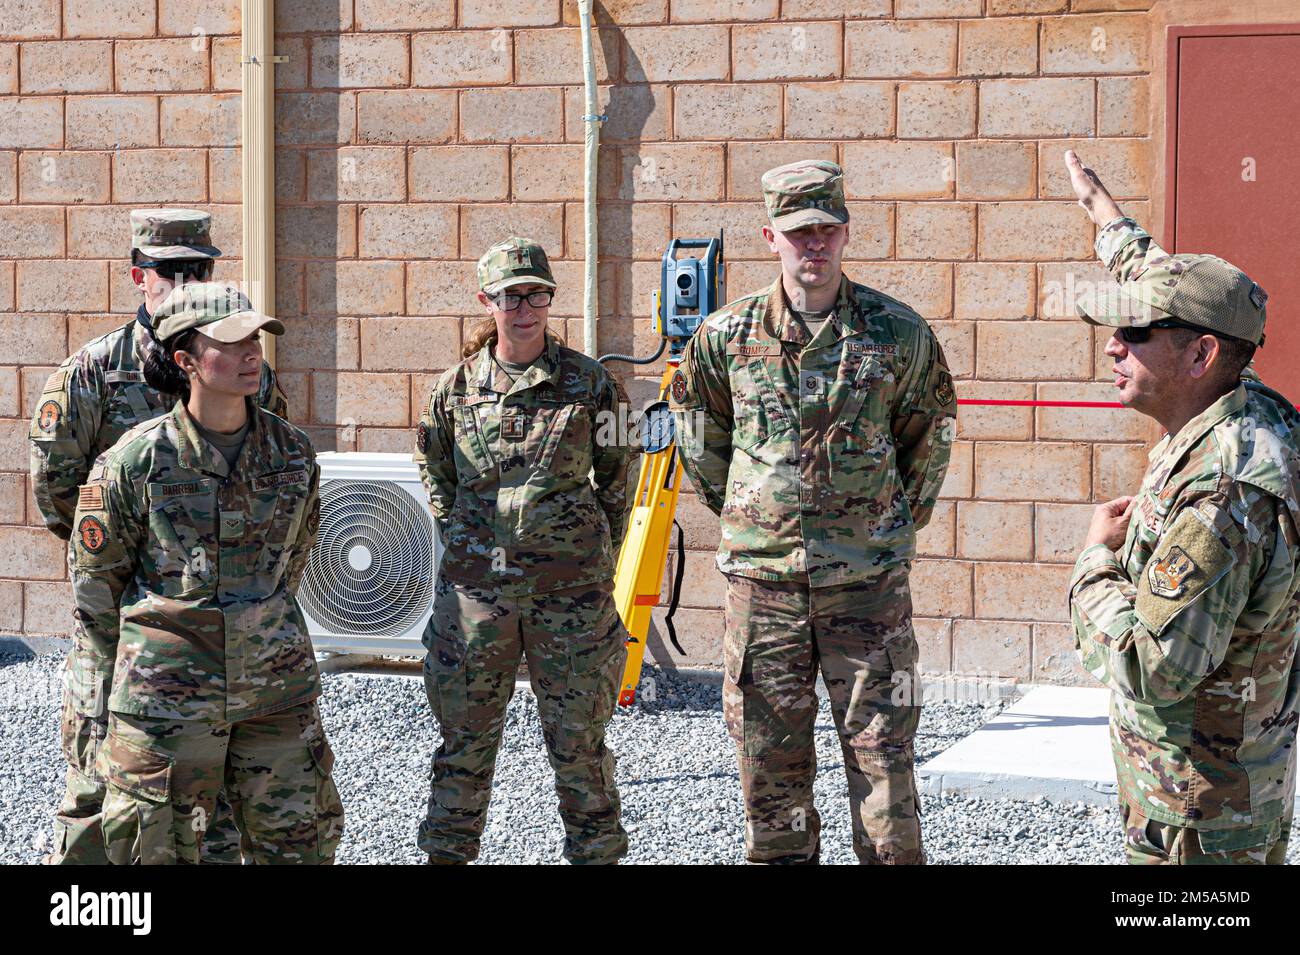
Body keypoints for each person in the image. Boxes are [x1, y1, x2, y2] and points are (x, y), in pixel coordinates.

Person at [670, 160, 957, 864]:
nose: (815, 245)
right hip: (764, 596)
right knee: (772, 785)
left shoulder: (898, 334)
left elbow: (930, 436)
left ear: (847, 232)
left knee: (886, 778)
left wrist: (882, 528)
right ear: (771, 236)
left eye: (827, 229)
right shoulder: (725, 337)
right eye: (800, 232)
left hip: (868, 594)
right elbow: (700, 439)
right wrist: (753, 515)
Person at [1065, 149, 1300, 865]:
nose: (1112, 346)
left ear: (1199, 356)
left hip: (1198, 818)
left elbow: (1148, 665)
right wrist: (1103, 213)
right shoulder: (1241, 395)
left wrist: (1092, 562)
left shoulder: (1223, 493)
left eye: (1134, 334)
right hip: (1206, 791)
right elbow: (1160, 275)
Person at [31, 208, 286, 864]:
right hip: (119, 632)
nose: (185, 282)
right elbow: (60, 494)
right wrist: (136, 562)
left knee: (214, 808)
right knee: (100, 800)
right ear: (139, 276)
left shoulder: (241, 369)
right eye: (171, 271)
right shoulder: (91, 375)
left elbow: (272, 473)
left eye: (198, 270)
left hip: (213, 636)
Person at [67, 281, 342, 865]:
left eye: (255, 339)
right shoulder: (132, 464)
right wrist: (96, 714)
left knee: (300, 845)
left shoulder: (292, 453)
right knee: (161, 852)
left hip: (275, 692)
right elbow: (98, 596)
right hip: (168, 701)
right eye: (230, 341)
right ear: (185, 360)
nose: (250, 353)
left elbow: (292, 560)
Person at [414, 237, 637, 864]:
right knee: (464, 741)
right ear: (487, 301)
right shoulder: (453, 390)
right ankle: (448, 855)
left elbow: (619, 476)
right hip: (476, 600)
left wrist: (591, 558)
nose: (525, 308)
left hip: (570, 597)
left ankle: (596, 856)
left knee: (581, 744)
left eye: (536, 294)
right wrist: (472, 542)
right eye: (511, 296)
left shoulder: (591, 383)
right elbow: (436, 476)